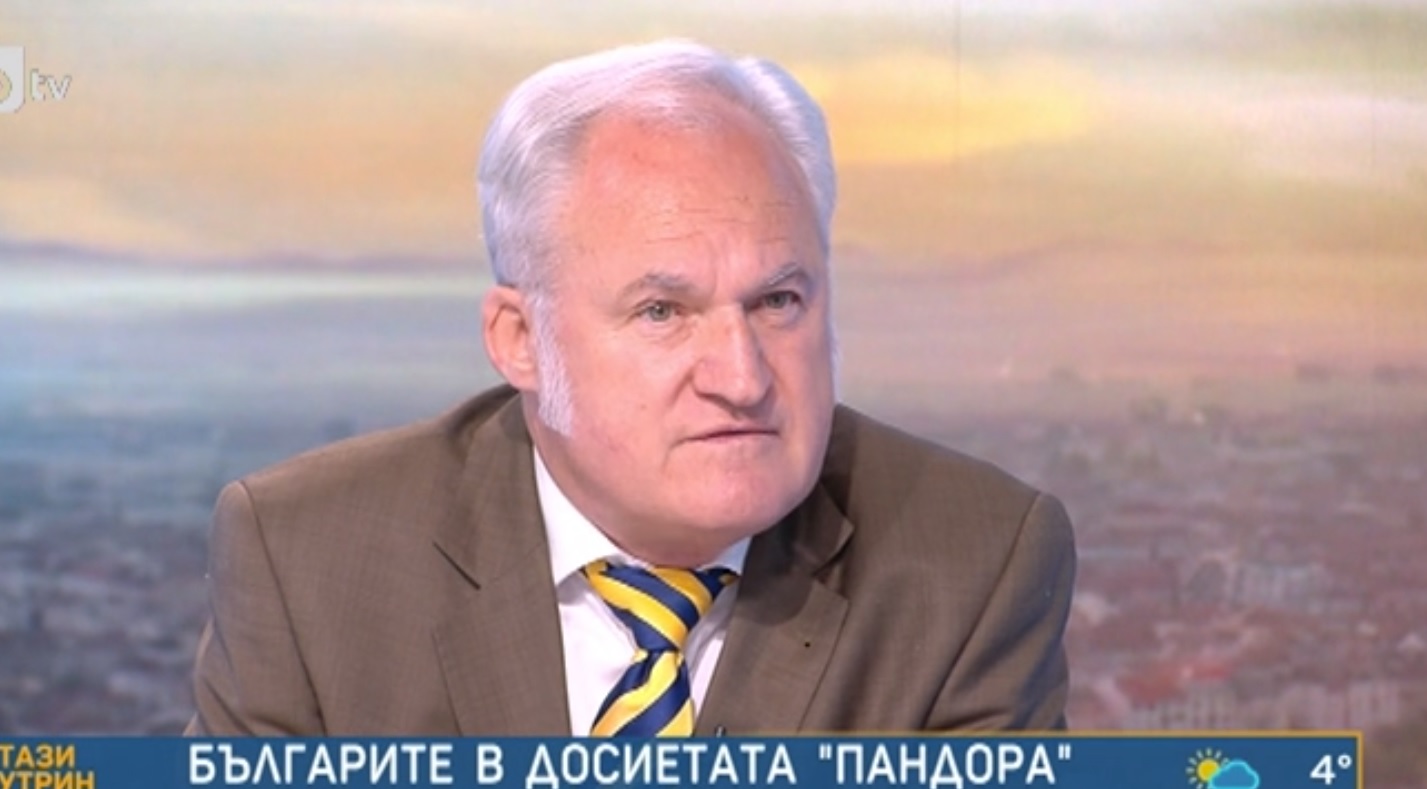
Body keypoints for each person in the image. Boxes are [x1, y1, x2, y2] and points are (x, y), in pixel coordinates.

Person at [186, 39, 1076, 736]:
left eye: (777, 301)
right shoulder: (307, 558)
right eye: (662, 312)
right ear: (521, 341)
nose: (741, 378)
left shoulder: (972, 562)